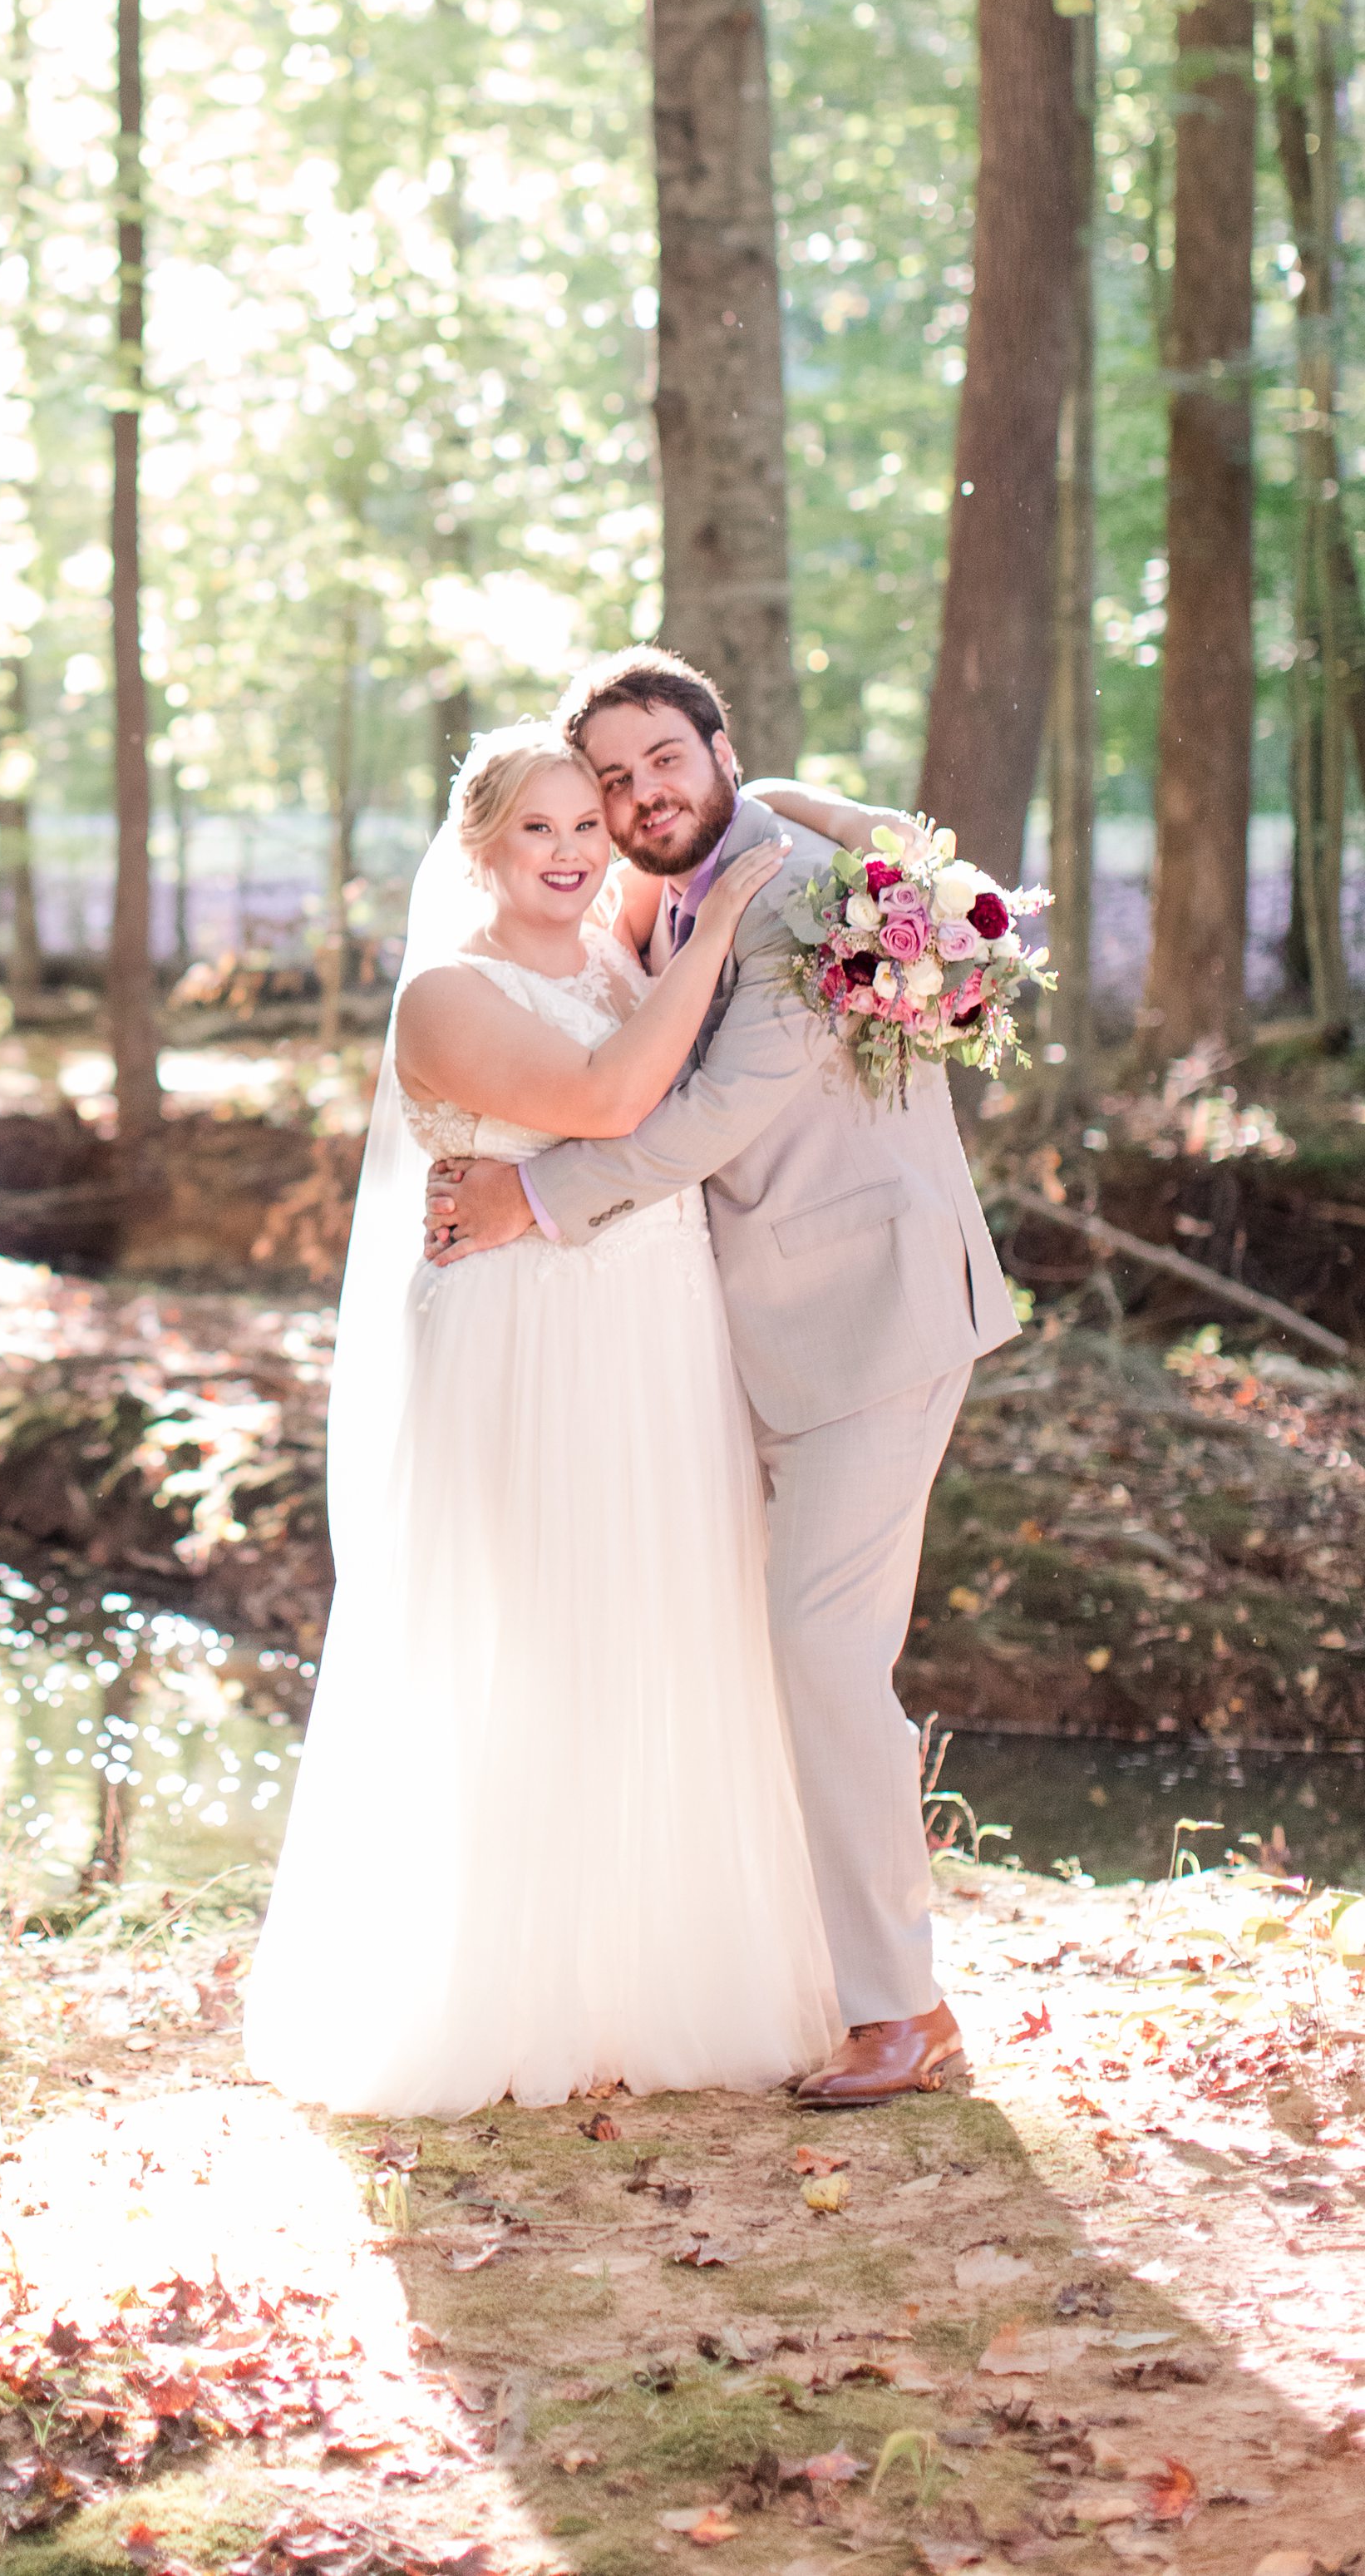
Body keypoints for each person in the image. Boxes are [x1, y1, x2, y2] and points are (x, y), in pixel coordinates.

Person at [243, 714, 869, 2115]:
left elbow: (858, 866)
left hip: (653, 1332)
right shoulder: (446, 1001)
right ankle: (503, 1994)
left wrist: (777, 804)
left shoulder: (606, 949)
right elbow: (610, 1094)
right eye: (541, 829)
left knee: (661, 1622)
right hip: (518, 1339)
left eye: (589, 827)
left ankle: (650, 1980)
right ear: (480, 849)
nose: (576, 852)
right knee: (523, 1634)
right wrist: (717, 941)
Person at [423, 648, 1019, 2111]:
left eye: (661, 764)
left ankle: (902, 2008)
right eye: (611, 780)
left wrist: (532, 1202)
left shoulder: (794, 898)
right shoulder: (683, 890)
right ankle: (796, 1972)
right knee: (741, 1652)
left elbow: (704, 1117)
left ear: (718, 747)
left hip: (868, 1314)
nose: (636, 798)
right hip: (738, 1334)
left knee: (819, 1653)